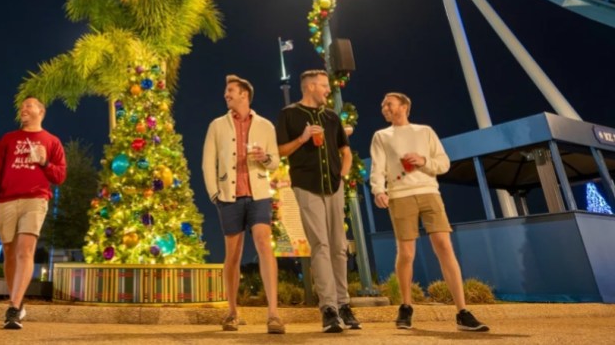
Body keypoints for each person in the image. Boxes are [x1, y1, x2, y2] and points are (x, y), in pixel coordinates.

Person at [370, 92, 489, 332]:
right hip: (400, 195)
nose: (384, 108)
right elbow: (377, 166)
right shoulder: (381, 136)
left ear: (404, 106)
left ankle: (462, 311)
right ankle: (406, 306)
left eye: (388, 104)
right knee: (406, 252)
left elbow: (443, 163)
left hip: (430, 193)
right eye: (383, 105)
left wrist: (424, 160)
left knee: (444, 247)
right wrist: (378, 190)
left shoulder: (425, 132)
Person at [276, 69, 359, 333]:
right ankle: (329, 309)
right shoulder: (289, 114)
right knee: (320, 245)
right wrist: (302, 139)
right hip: (306, 187)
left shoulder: (332, 117)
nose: (327, 90)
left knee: (339, 247)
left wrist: (342, 177)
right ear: (310, 87)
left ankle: (344, 305)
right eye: (324, 86)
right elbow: (279, 151)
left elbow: (345, 152)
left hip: (333, 188)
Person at [202, 74, 285, 335]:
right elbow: (208, 162)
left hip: (259, 193)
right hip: (229, 197)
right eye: (226, 91)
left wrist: (265, 157)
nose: (226, 95)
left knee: (263, 243)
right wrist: (215, 194)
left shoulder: (265, 126)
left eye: (231, 91)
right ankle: (232, 312)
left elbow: (275, 162)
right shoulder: (217, 125)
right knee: (233, 254)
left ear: (244, 95)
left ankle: (273, 314)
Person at [0, 96, 66, 330]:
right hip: (5, 202)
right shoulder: (9, 140)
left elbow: (59, 176)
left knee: (25, 250)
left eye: (28, 105)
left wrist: (44, 162)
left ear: (41, 111)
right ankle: (18, 304)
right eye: (21, 106)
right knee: (10, 254)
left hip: (35, 199)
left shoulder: (51, 141)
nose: (23, 109)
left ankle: (13, 307)